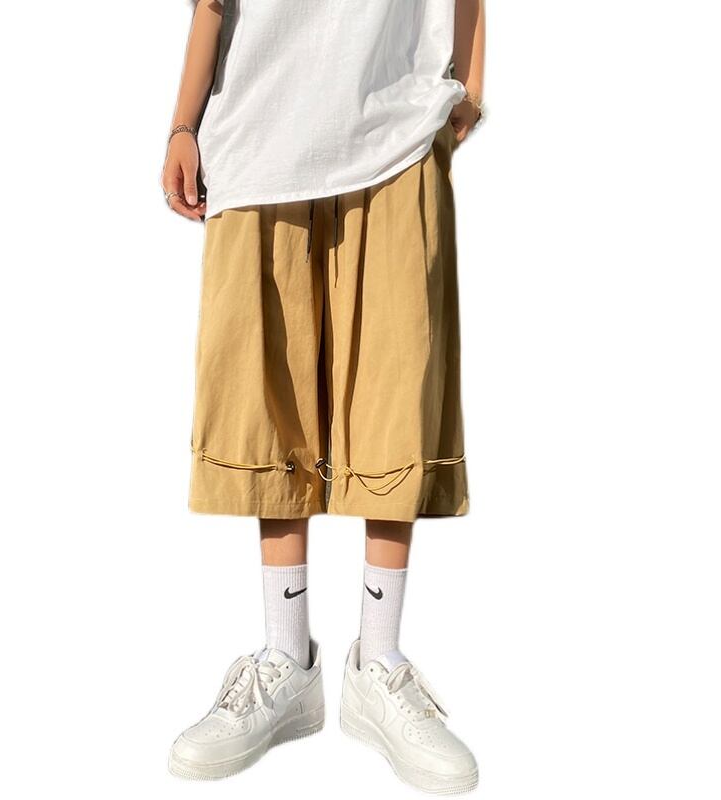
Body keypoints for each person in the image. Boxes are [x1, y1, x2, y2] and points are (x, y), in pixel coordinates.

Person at [161, 0, 485, 792]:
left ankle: (378, 659)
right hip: (258, 136)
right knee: (266, 404)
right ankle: (285, 659)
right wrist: (182, 124)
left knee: (395, 390)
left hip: (395, 127)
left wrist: (469, 83)